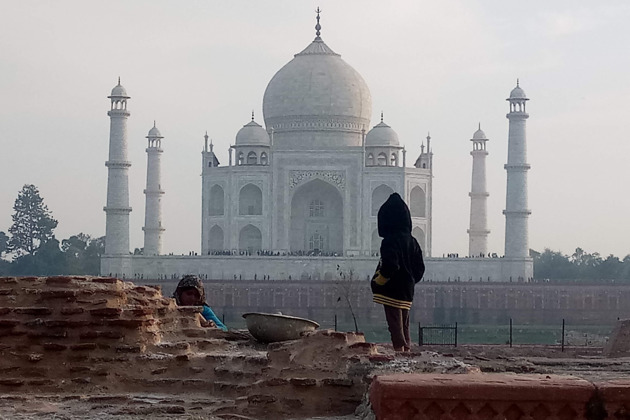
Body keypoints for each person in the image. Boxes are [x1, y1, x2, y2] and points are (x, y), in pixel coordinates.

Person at [370, 193, 425, 352]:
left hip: (392, 289)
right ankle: (407, 348)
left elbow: (390, 264)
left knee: (394, 322)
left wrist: (381, 280)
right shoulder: (412, 241)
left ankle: (399, 349)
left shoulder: (390, 241)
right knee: (405, 321)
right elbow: (420, 267)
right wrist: (410, 280)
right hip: (407, 290)